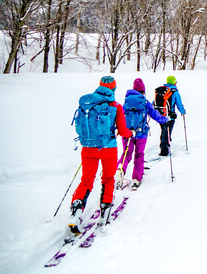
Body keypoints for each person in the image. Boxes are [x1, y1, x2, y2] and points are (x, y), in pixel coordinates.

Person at [69, 76, 133, 232]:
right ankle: (105, 210)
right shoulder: (116, 106)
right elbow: (123, 130)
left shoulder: (88, 103)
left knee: (86, 180)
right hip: (108, 148)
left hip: (88, 147)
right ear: (114, 89)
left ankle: (76, 209)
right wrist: (129, 133)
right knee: (108, 178)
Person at [117, 78, 168, 189]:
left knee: (126, 154)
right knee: (139, 155)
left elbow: (120, 115)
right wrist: (165, 120)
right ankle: (136, 178)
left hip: (127, 133)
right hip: (141, 134)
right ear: (143, 90)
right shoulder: (145, 102)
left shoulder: (126, 101)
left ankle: (119, 170)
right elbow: (155, 115)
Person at [157, 75, 186, 157]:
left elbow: (155, 102)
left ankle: (164, 146)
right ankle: (164, 151)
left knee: (164, 131)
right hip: (170, 116)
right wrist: (183, 111)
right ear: (174, 82)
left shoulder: (162, 91)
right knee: (167, 132)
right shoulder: (174, 92)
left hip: (161, 115)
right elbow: (179, 104)